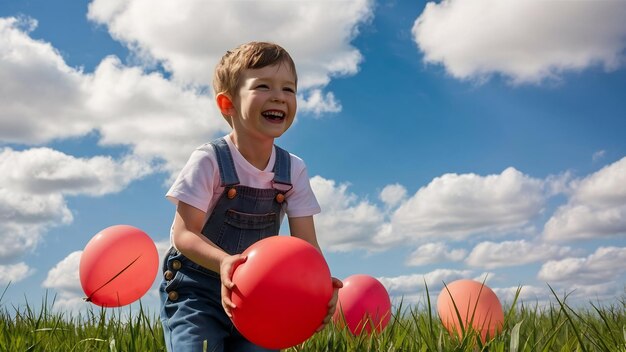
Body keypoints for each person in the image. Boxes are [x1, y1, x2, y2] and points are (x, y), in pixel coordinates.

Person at [159, 41, 343, 352]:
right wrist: (225, 262)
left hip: (259, 297)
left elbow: (306, 246)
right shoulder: (210, 160)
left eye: (289, 89)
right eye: (263, 86)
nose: (279, 97)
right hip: (197, 292)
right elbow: (183, 233)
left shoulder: (292, 170)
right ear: (227, 104)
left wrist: (321, 286)